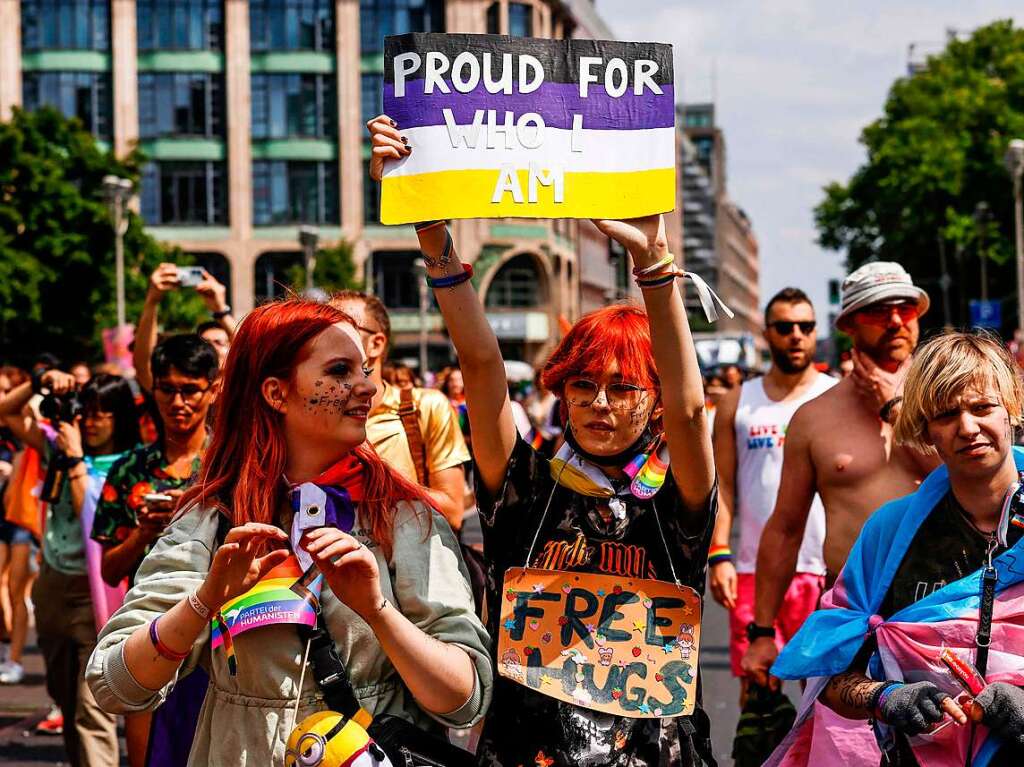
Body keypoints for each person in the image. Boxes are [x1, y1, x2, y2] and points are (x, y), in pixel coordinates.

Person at [367, 114, 723, 766]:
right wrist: (430, 231)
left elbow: (693, 408)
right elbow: (481, 366)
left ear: (654, 400)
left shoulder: (676, 498)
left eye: (623, 387)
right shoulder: (525, 484)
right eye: (583, 385)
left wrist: (655, 265)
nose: (599, 403)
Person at [86, 299, 493, 765]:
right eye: (341, 371)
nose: (368, 387)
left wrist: (378, 611)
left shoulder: (404, 518)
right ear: (277, 394)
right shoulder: (213, 517)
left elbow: (466, 700)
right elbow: (112, 685)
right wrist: (203, 601)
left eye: (364, 369)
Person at [769, 331, 1024, 766]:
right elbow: (832, 678)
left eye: (982, 408)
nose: (967, 427)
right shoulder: (890, 532)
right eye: (946, 415)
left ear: (1011, 411)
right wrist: (885, 697)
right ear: (926, 431)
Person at [742, 263, 939, 688]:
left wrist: (896, 408)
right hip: (853, 613)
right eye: (877, 311)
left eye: (905, 308)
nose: (894, 321)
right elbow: (786, 528)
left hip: (942, 608)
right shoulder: (814, 418)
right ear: (849, 324)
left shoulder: (950, 400)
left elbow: (968, 481)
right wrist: (761, 632)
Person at [0, 371, 141, 766]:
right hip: (51, 584)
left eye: (101, 414)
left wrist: (77, 458)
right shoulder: (59, 449)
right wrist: (38, 380)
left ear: (120, 417)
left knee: (89, 706)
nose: (91, 422)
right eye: (86, 412)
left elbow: (93, 520)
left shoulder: (130, 464)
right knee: (63, 694)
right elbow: (6, 413)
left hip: (97, 592)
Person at [90, 334, 218, 767]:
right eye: (168, 389)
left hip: (221, 640)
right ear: (154, 390)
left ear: (213, 390)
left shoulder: (230, 463)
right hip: (149, 633)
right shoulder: (130, 469)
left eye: (190, 390)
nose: (178, 402)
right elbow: (108, 570)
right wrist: (143, 534)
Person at [709, 288, 836, 699]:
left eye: (806, 326)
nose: (796, 335)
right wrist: (719, 554)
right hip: (753, 572)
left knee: (827, 701)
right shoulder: (737, 403)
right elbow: (723, 486)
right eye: (785, 327)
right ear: (767, 334)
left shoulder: (839, 398)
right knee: (759, 699)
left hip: (826, 571)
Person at [329, 290, 470, 531]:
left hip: (410, 564)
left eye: (342, 329)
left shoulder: (425, 407)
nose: (326, 338)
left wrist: (377, 482)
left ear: (376, 344)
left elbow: (453, 511)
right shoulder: (312, 415)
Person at [134, 263, 236, 390]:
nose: (212, 348)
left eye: (219, 342)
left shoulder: (243, 393)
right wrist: (152, 301)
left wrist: (221, 312)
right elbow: (144, 365)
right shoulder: (175, 391)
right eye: (205, 343)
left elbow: (251, 352)